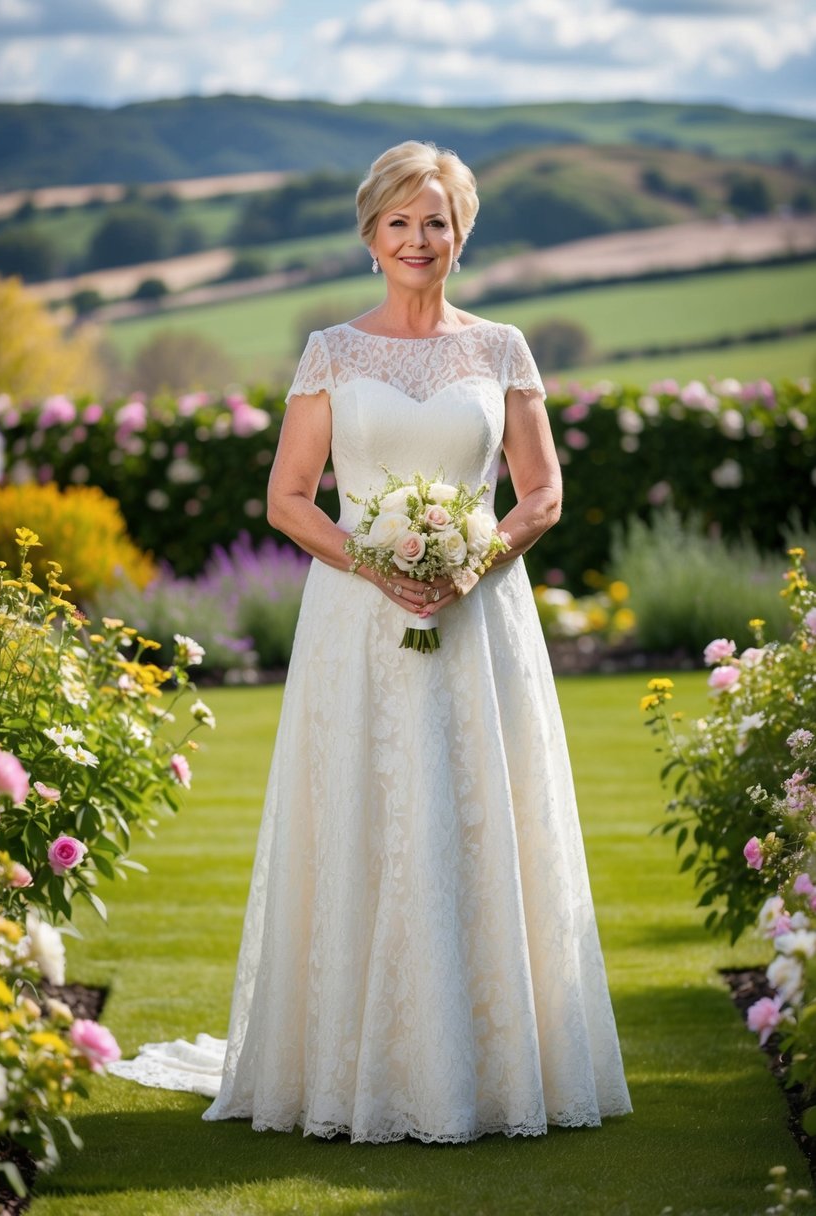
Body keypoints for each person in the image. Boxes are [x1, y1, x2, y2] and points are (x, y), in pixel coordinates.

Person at [108, 140, 633, 1143]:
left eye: (435, 221)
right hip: (356, 621)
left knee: (483, 814)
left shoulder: (502, 349)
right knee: (362, 813)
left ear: (461, 232)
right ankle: (350, 1064)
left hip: (481, 627)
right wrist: (377, 566)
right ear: (370, 235)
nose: (418, 239)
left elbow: (543, 492)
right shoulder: (331, 353)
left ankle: (491, 1065)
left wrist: (475, 561)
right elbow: (288, 498)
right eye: (399, 222)